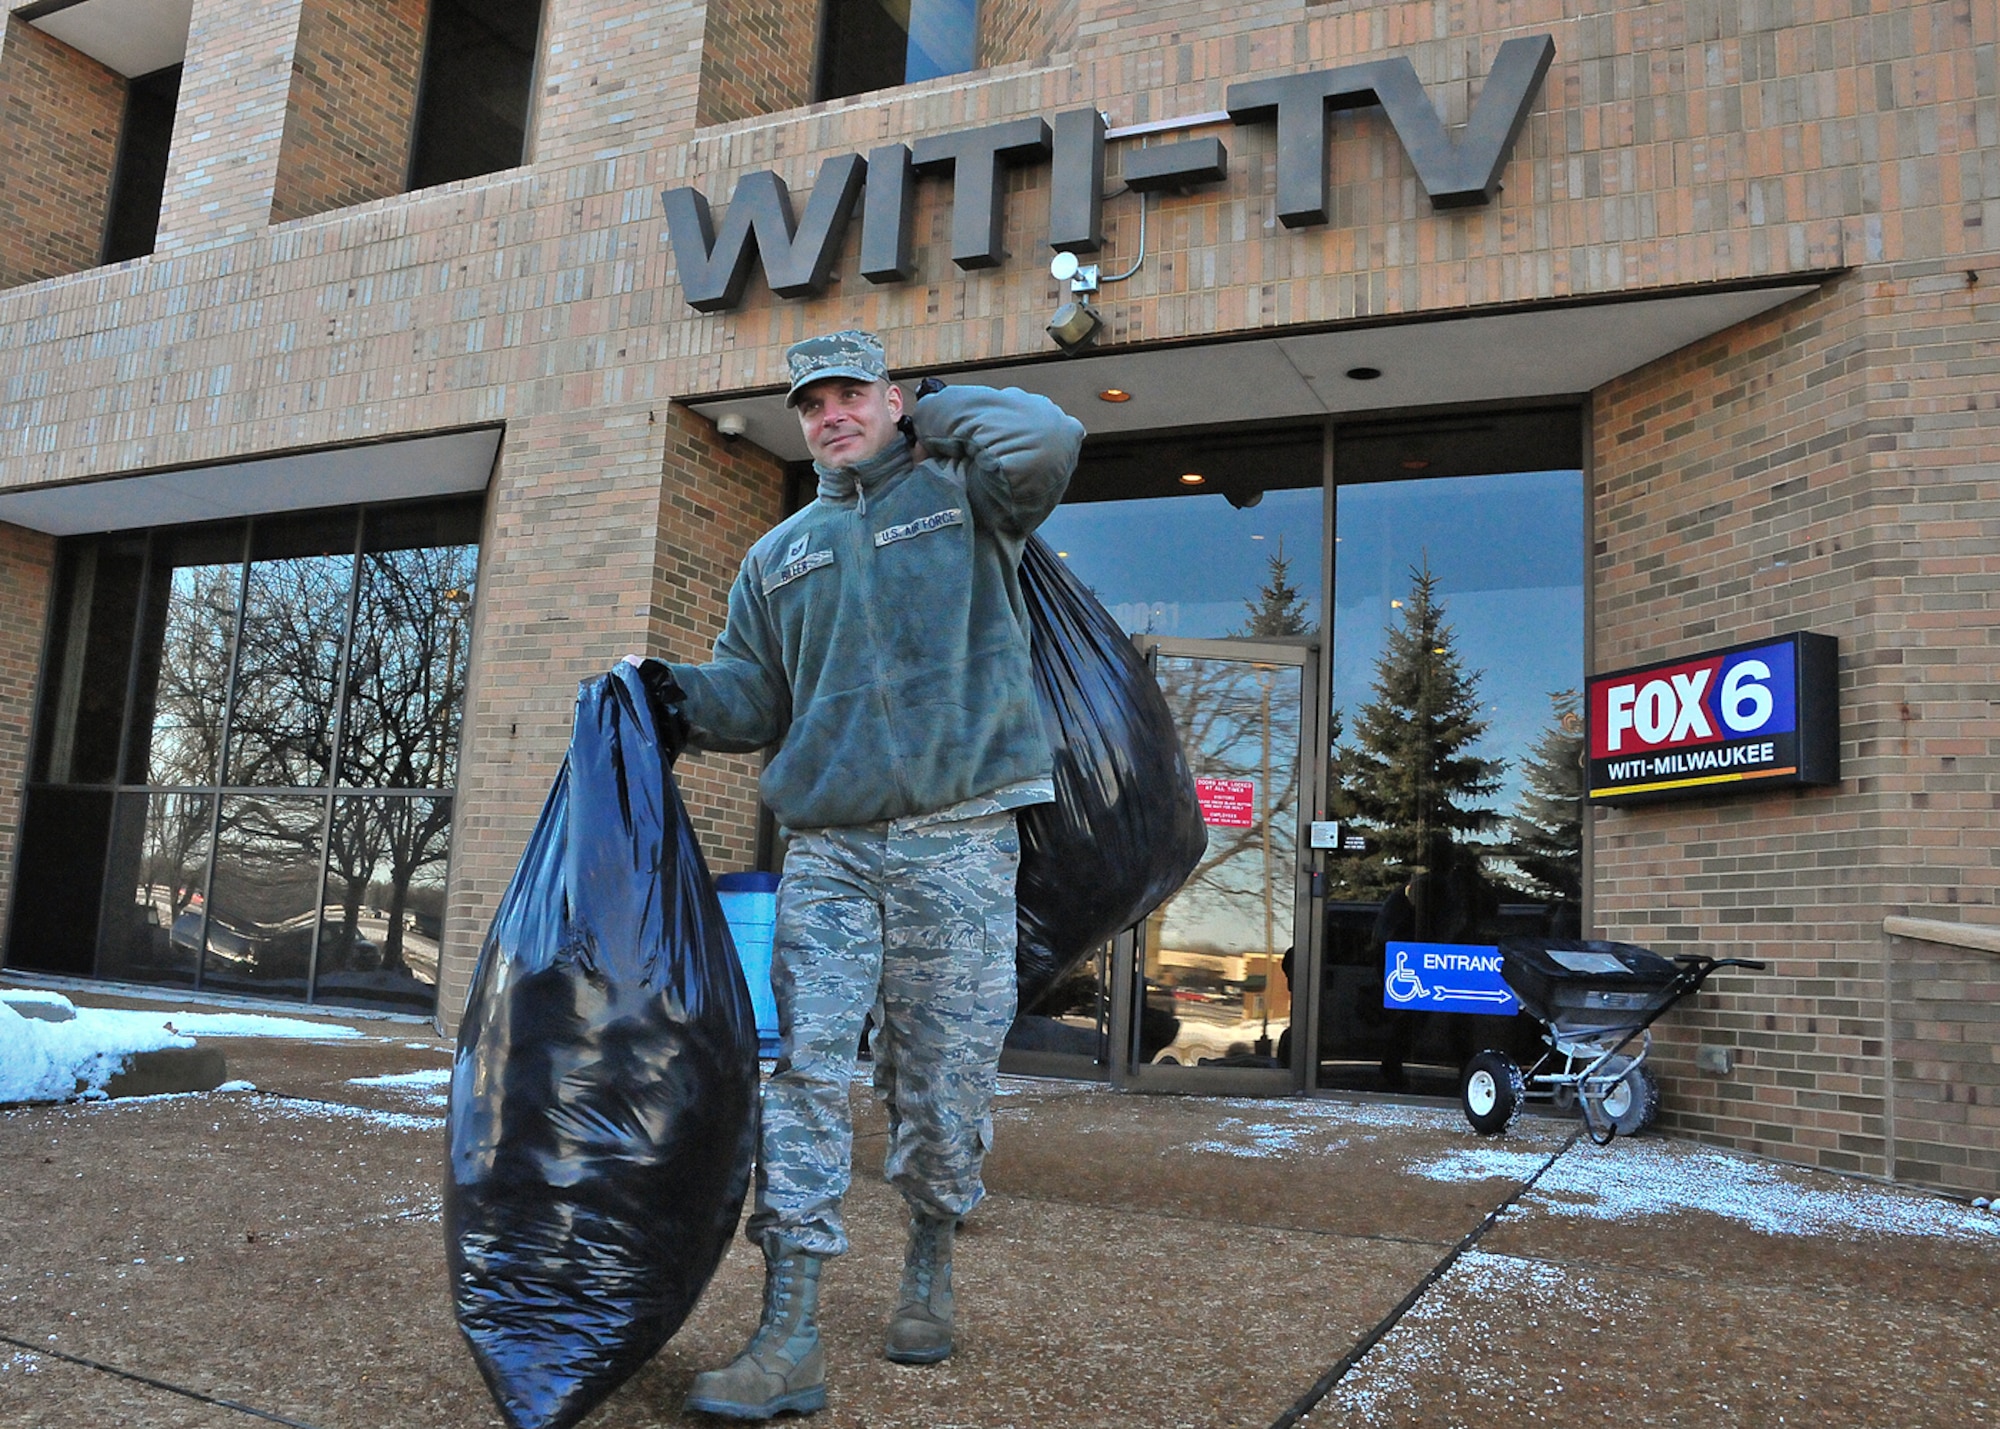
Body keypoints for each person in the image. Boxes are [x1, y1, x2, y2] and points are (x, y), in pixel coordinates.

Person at [629, 329, 1083, 1420]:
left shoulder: (972, 500)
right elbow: (750, 695)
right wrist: (667, 693)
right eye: (810, 404)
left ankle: (928, 1256)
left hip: (961, 836)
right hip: (829, 853)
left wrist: (934, 409)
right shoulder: (777, 554)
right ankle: (787, 1331)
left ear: (888, 399)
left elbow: (1049, 433)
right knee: (802, 1071)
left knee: (941, 1083)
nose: (829, 415)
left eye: (849, 396)